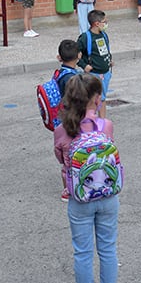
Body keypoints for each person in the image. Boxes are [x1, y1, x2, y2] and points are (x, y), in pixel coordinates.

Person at [54, 74, 119, 283]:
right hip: (108, 196)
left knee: (82, 252)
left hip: (80, 198)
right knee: (108, 248)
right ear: (96, 98)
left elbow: (62, 160)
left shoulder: (62, 130)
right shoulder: (106, 126)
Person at [55, 39, 84, 200]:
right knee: (74, 155)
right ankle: (73, 187)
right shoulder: (73, 78)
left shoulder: (59, 73)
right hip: (73, 119)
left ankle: (67, 189)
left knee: (66, 157)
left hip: (63, 118)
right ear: (79, 55)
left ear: (59, 57)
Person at [78, 10, 113, 117]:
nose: (106, 24)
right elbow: (75, 53)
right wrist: (84, 65)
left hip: (106, 73)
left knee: (102, 98)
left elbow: (105, 50)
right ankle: (91, 120)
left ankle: (102, 122)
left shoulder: (104, 35)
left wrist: (109, 60)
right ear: (97, 23)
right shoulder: (85, 37)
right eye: (104, 21)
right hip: (94, 74)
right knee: (93, 99)